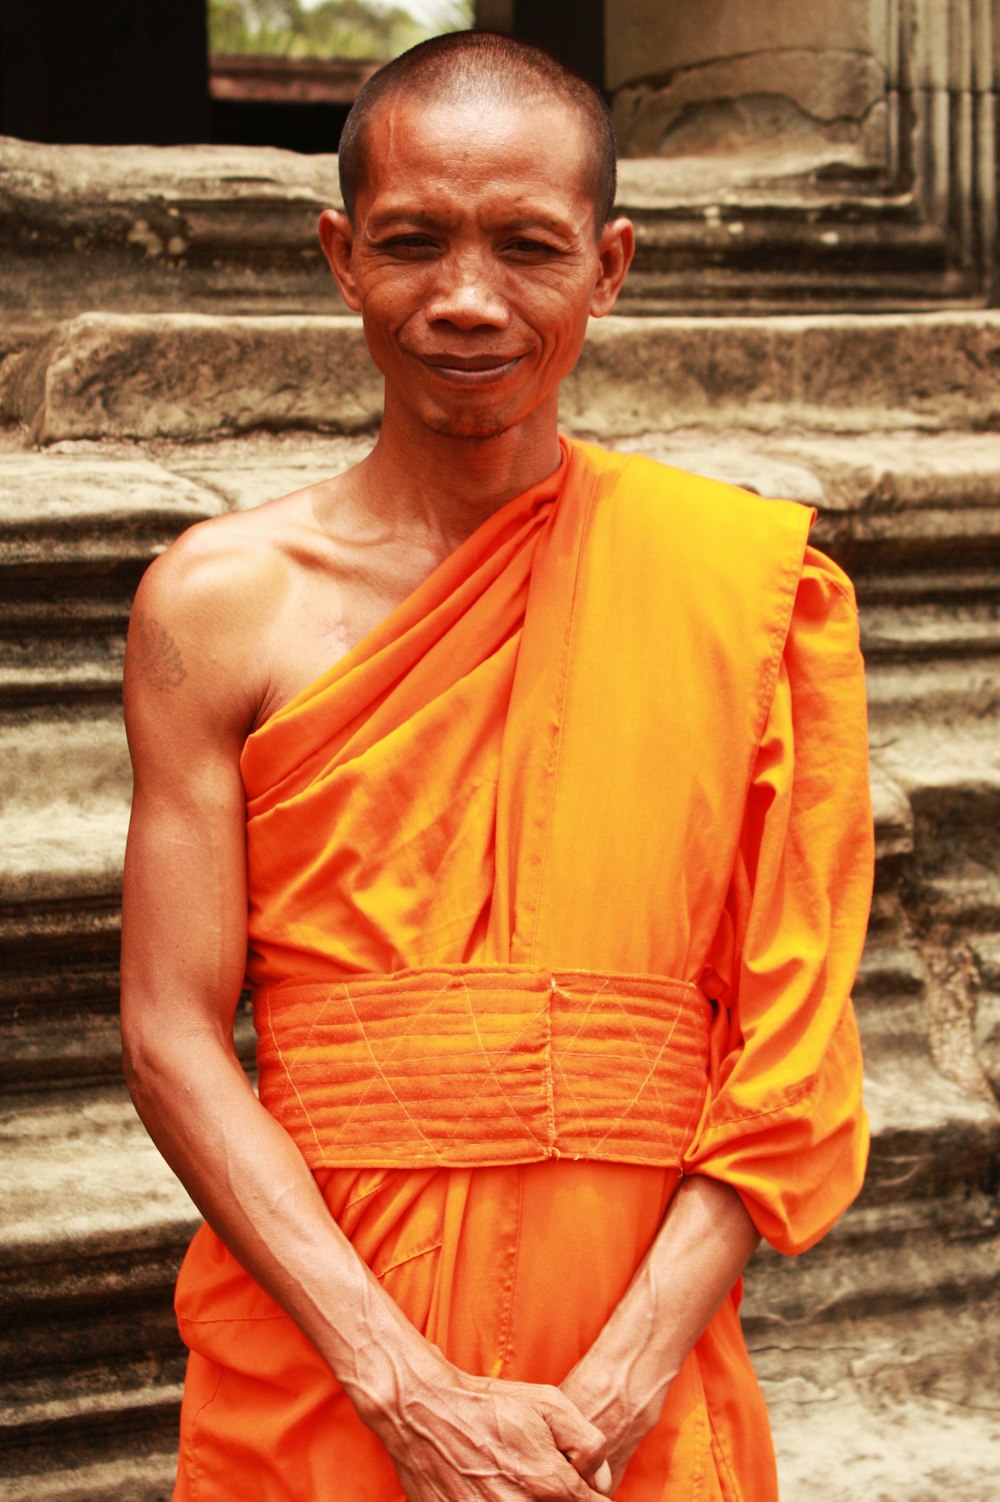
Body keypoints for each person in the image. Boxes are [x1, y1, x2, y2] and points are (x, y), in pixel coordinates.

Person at [120, 30, 873, 1502]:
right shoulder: (219, 604)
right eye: (412, 242)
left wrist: (621, 1380)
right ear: (344, 254)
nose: (467, 298)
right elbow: (171, 1035)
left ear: (612, 264)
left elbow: (791, 1051)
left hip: (633, 1370)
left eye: (529, 246)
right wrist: (403, 1387)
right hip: (327, 1354)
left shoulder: (742, 588)